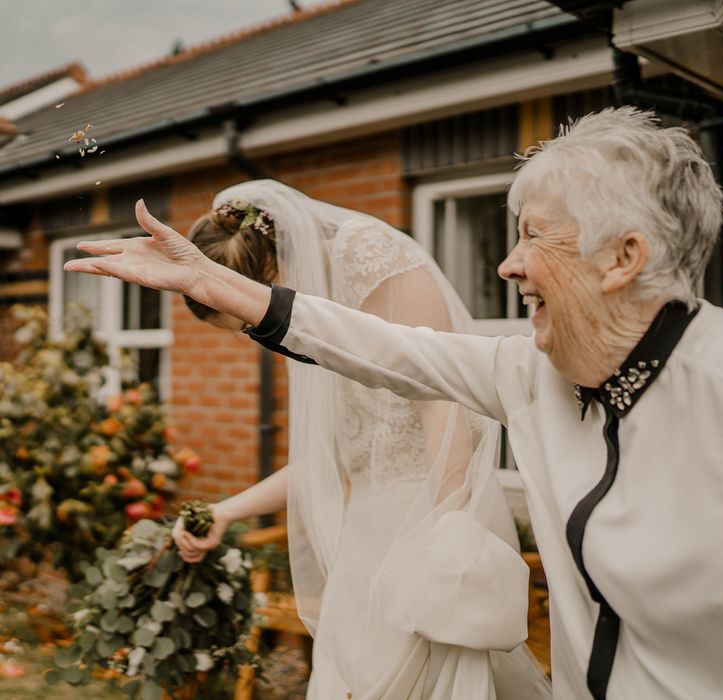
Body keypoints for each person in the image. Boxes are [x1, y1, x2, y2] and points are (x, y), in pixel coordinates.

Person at [65, 107, 723, 700]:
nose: (506, 265)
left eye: (532, 236)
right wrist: (223, 287)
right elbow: (382, 347)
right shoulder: (525, 376)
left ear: (623, 259)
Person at [115, 179, 551, 699]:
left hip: (430, 516)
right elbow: (337, 457)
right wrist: (225, 512)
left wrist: (448, 534)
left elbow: (442, 400)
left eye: (239, 323)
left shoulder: (368, 254)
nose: (247, 336)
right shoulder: (311, 310)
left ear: (265, 278)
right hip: (364, 539)